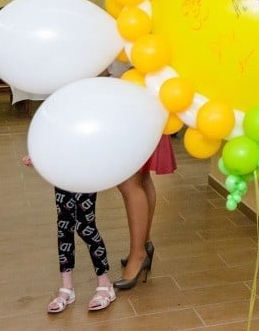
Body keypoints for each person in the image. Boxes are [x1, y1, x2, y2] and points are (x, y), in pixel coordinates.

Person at [21, 156, 115, 313]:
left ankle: (105, 284)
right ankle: (66, 288)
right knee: (64, 225)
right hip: (62, 168)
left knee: (86, 226)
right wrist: (40, 154)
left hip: (88, 167)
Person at [114, 134, 177, 291]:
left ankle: (139, 254)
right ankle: (142, 244)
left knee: (127, 181)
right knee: (141, 176)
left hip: (138, 117)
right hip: (144, 117)